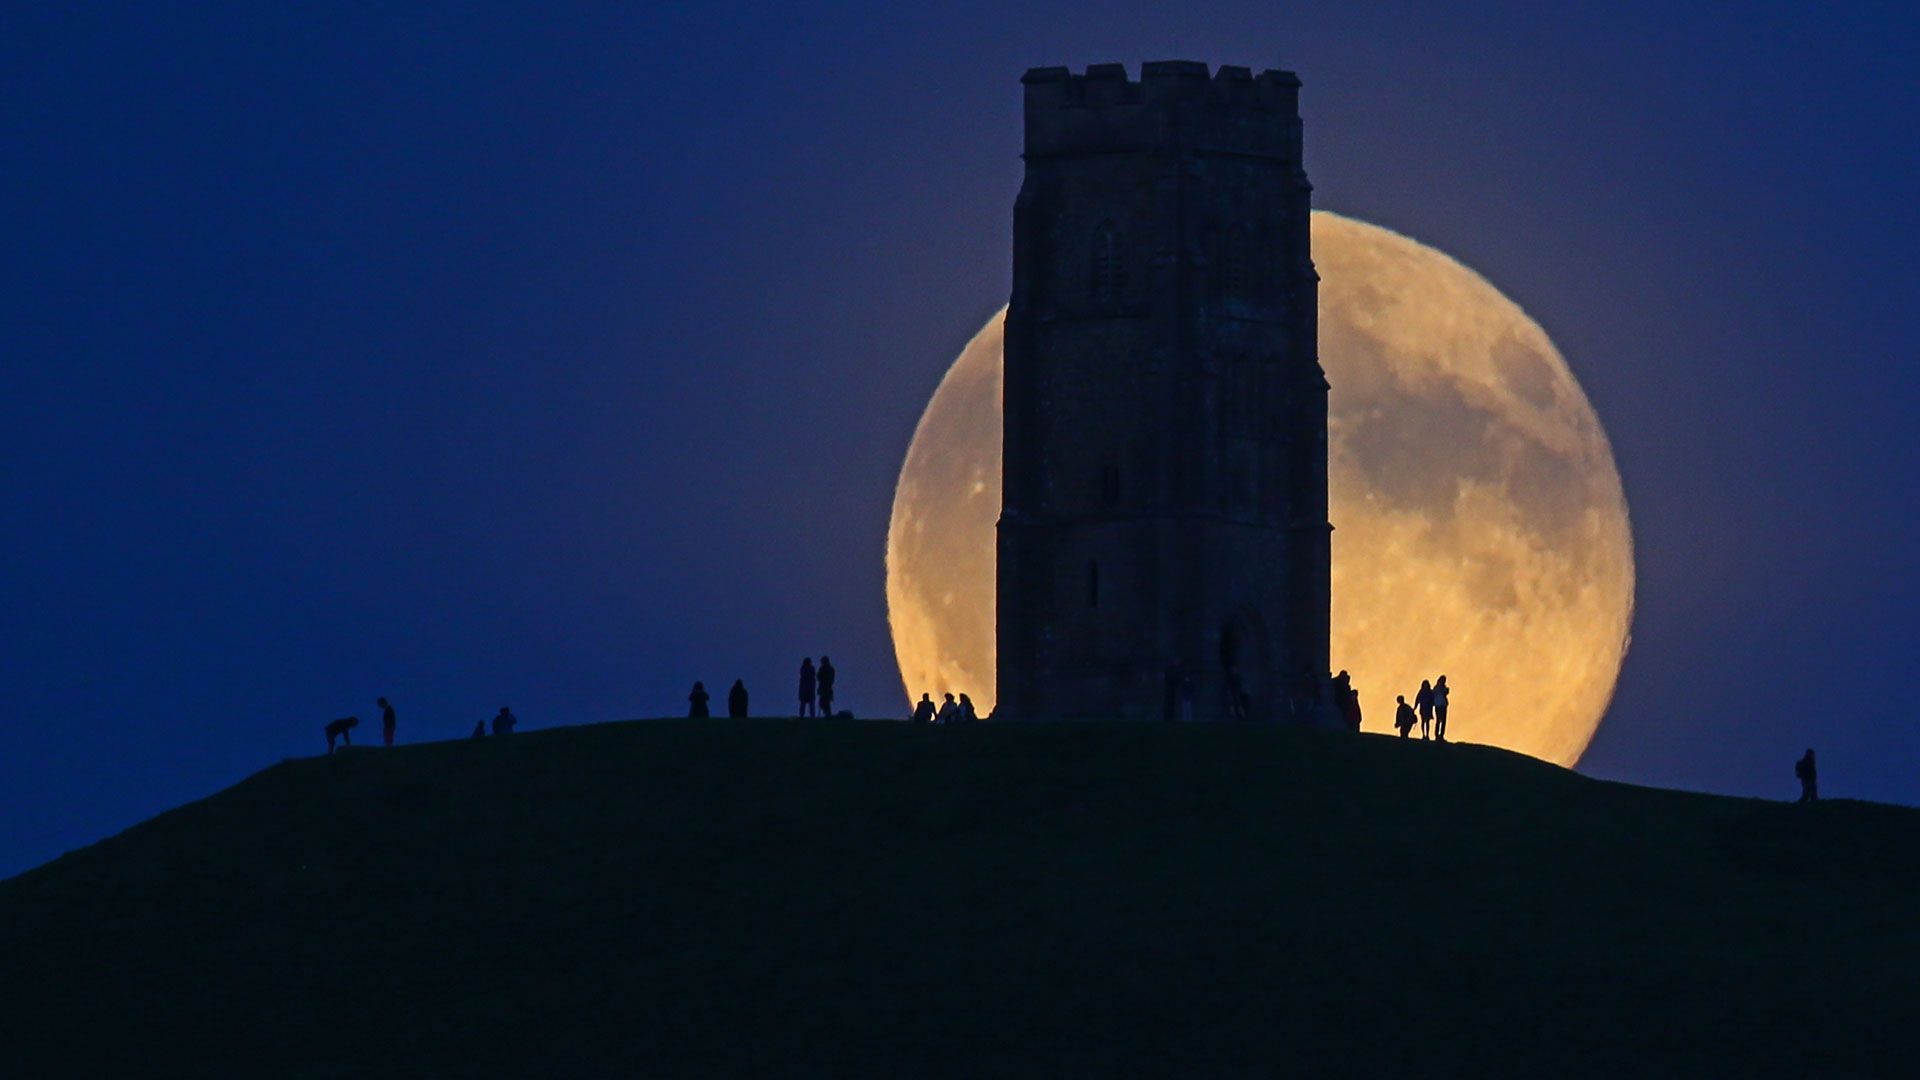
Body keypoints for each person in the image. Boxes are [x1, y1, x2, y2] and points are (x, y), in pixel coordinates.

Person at [1432, 675, 1451, 742]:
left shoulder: (1440, 688)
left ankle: (1441, 735)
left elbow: (1446, 693)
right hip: (1439, 705)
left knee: (1442, 721)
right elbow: (1444, 692)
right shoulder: (1437, 688)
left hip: (1442, 705)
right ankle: (1437, 735)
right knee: (1439, 720)